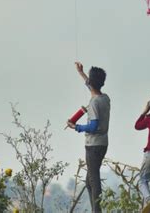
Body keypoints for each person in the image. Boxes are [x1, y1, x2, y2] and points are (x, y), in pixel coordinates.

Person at [67, 62, 110, 213]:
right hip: (103, 143)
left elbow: (93, 126)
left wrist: (76, 127)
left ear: (91, 82)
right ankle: (95, 209)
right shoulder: (105, 98)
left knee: (93, 180)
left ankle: (97, 211)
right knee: (89, 181)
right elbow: (92, 87)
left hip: (93, 145)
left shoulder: (94, 103)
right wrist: (82, 73)